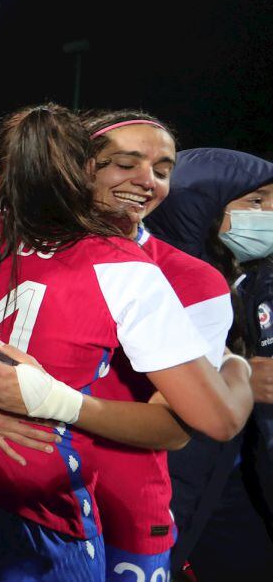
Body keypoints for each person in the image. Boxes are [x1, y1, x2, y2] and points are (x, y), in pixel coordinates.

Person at [0, 104, 251, 581]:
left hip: (114, 498)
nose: (147, 180)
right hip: (36, 485)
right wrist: (239, 369)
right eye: (125, 164)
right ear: (79, 167)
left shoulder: (193, 279)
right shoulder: (119, 265)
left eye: (163, 171)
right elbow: (216, 418)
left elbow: (176, 429)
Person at [143, 147, 273, 581]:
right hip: (170, 470)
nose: (270, 212)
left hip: (227, 466)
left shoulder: (237, 274)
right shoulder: (153, 279)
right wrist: (240, 382)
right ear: (200, 206)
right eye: (256, 201)